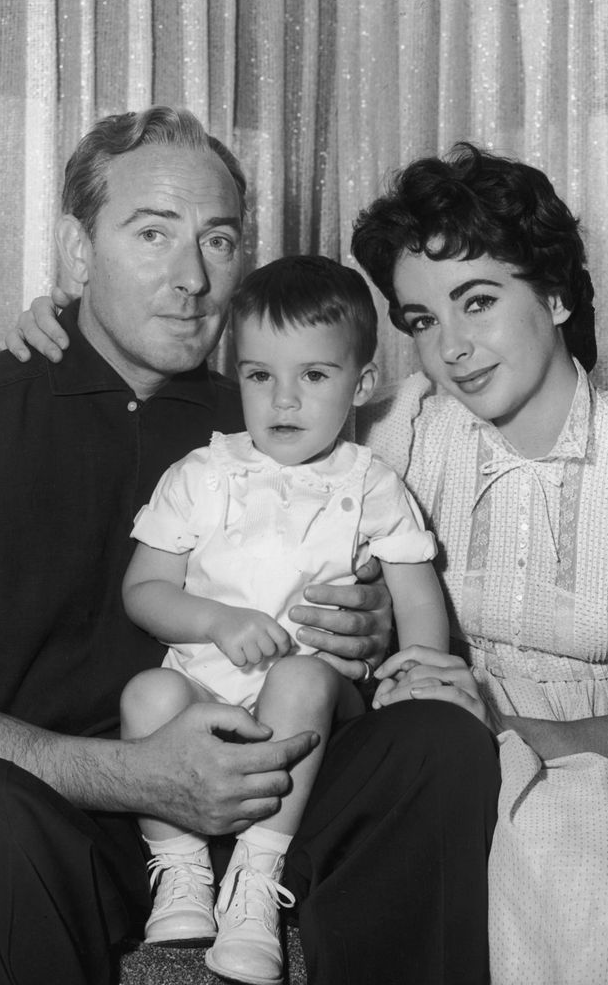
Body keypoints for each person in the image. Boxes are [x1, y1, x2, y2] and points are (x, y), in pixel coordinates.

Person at [0, 108, 499, 985]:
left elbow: (366, 604)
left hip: (277, 785)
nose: (190, 277)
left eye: (218, 241)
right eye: (152, 233)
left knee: (437, 747)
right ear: (77, 251)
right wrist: (141, 776)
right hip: (61, 814)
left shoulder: (269, 418)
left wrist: (368, 636)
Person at [348, 143, 608, 984]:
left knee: (571, 818)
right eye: (420, 321)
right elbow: (268, 401)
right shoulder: (401, 429)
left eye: (475, 301)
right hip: (437, 749)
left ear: (553, 293)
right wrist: (65, 326)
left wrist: (492, 731)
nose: (449, 347)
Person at [122, 254, 449, 984]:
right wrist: (213, 621)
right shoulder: (201, 474)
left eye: (314, 376)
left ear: (360, 384)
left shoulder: (369, 481)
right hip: (208, 688)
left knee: (301, 673)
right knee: (144, 695)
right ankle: (180, 872)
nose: (284, 401)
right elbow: (143, 588)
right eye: (260, 375)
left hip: (314, 703)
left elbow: (416, 592)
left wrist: (418, 672)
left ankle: (253, 884)